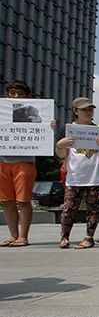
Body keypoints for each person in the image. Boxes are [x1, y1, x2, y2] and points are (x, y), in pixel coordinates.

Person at [55, 97, 99, 249]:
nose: (88, 112)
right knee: (69, 208)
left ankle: (89, 237)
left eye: (90, 109)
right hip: (74, 176)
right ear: (75, 111)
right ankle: (65, 236)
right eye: (84, 109)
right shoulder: (67, 129)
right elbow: (60, 154)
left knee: (93, 208)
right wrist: (60, 145)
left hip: (96, 175)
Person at [0, 81, 38, 247]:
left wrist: (49, 126)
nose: (16, 96)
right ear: (7, 94)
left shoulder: (33, 114)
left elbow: (42, 135)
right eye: (13, 93)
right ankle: (13, 235)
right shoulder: (2, 112)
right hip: (2, 161)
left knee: (23, 200)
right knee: (7, 201)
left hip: (24, 161)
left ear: (27, 97)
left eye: (20, 94)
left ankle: (23, 236)